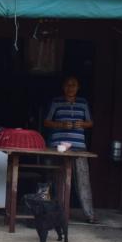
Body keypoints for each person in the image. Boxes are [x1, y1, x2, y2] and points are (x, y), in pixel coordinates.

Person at [43, 76, 96, 223]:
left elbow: (90, 123)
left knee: (83, 180)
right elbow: (46, 122)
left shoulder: (83, 102)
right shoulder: (56, 101)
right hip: (58, 147)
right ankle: (55, 211)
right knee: (56, 178)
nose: (70, 88)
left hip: (79, 147)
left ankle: (89, 215)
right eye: (67, 85)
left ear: (78, 88)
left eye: (73, 85)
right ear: (63, 87)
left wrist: (82, 124)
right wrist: (60, 124)